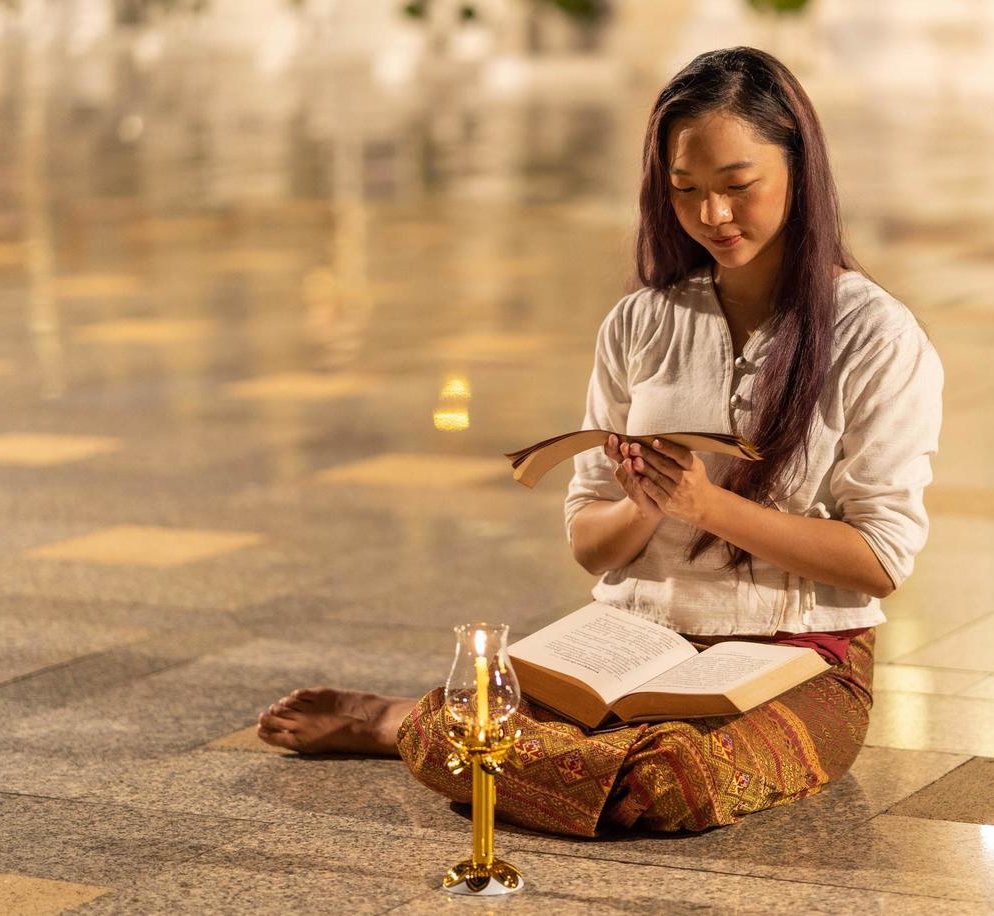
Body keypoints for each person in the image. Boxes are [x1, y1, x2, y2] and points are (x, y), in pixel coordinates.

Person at [258, 46, 944, 836]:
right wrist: (649, 506)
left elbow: (881, 561)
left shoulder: (876, 336)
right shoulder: (641, 322)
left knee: (673, 782)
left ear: (799, 167)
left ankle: (409, 728)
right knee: (503, 720)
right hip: (634, 647)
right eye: (684, 191)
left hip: (800, 662)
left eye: (737, 186)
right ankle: (441, 726)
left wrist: (705, 503)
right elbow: (590, 542)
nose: (712, 216)